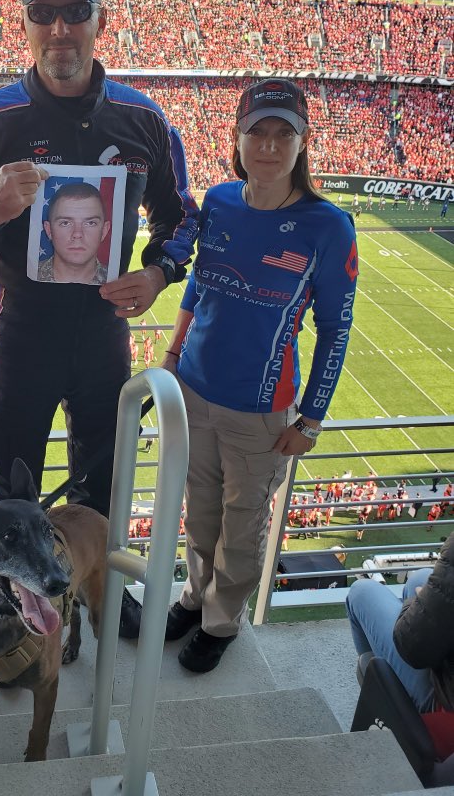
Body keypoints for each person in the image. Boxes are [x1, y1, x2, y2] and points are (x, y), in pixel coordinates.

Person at [0, 0, 197, 638]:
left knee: (102, 483)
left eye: (75, 11)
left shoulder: (145, 119)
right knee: (12, 489)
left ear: (101, 19)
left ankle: (98, 597)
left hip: (104, 336)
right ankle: (20, 610)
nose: (59, 29)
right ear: (21, 22)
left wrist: (158, 272)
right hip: (21, 334)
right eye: (42, 12)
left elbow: (183, 218)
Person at [160, 78, 358, 672]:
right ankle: (195, 598)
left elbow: (336, 329)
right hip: (193, 391)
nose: (269, 146)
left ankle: (220, 622)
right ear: (238, 139)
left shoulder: (329, 226)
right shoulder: (219, 200)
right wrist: (172, 352)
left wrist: (312, 419)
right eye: (257, 132)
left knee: (242, 528)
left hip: (261, 410)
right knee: (200, 514)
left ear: (303, 143)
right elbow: (198, 283)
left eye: (282, 134)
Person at [346, 531, 454, 715]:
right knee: (420, 577)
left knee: (361, 591)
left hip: (446, 704)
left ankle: (382, 706)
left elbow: (412, 647)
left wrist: (415, 604)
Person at [37, 182, 110, 284]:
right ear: (49, 230)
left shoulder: (118, 283)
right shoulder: (24, 277)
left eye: (90, 223)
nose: (77, 234)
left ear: (104, 231)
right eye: (65, 223)